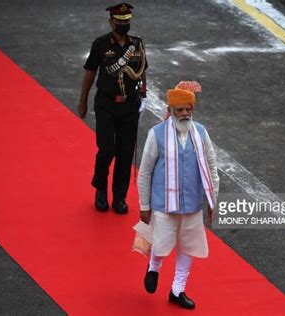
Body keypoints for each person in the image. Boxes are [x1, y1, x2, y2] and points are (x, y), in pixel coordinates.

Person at [137, 81, 219, 309]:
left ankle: (177, 289)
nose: (184, 114)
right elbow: (145, 171)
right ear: (170, 110)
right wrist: (144, 204)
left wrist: (213, 200)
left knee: (189, 247)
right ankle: (154, 267)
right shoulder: (157, 134)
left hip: (192, 204)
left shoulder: (201, 132)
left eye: (188, 109)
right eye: (179, 110)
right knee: (161, 245)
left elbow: (211, 167)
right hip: (164, 204)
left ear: (193, 109)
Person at [78, 3, 148, 214]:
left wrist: (144, 95)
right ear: (111, 22)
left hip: (129, 104)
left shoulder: (137, 44)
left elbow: (142, 69)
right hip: (106, 104)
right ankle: (100, 189)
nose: (123, 25)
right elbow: (90, 72)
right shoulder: (100, 44)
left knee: (126, 153)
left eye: (126, 21)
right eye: (119, 22)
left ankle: (119, 197)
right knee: (107, 149)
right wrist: (83, 100)